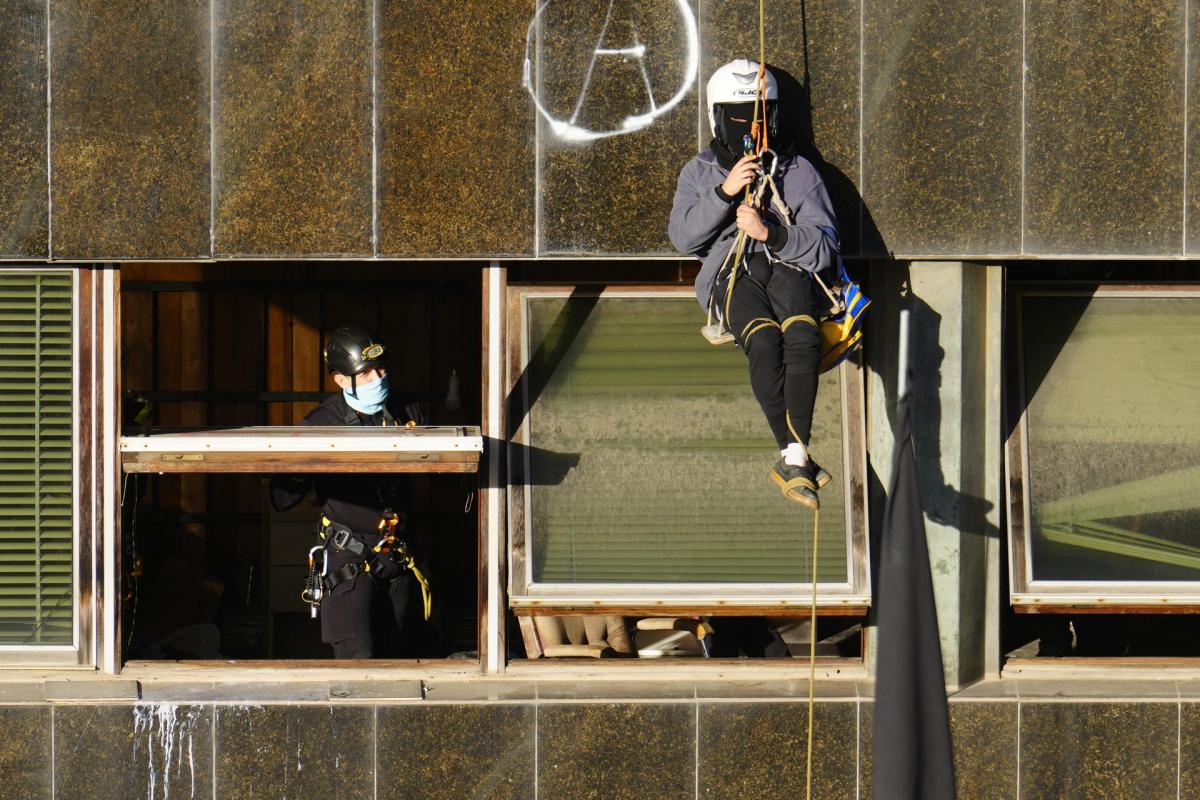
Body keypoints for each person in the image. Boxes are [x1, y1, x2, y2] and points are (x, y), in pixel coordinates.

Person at [668, 58, 840, 510]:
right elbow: (683, 238)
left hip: (786, 265)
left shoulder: (798, 171)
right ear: (719, 119)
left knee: (802, 335)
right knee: (764, 341)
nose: (753, 132)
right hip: (732, 272)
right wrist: (724, 193)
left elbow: (825, 245)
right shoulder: (700, 172)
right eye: (741, 121)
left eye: (762, 120)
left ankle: (795, 456)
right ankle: (792, 450)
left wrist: (773, 234)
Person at [269, 325, 428, 659]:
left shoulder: (407, 413)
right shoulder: (320, 424)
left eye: (381, 369)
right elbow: (281, 497)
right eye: (366, 373)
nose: (378, 379)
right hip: (350, 557)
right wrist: (300, 466)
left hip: (397, 555)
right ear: (341, 380)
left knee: (406, 658)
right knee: (358, 661)